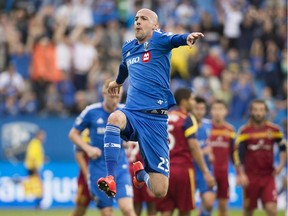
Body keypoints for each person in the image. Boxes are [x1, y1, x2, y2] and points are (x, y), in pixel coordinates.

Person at [97, 8, 205, 198]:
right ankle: (110, 178)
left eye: (144, 19)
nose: (138, 21)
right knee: (114, 118)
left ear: (155, 25)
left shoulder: (159, 40)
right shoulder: (128, 47)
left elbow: (175, 39)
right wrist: (118, 82)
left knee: (159, 190)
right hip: (133, 113)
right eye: (136, 18)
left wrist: (187, 37)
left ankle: (140, 174)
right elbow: (124, 67)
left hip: (156, 120)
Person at [68, 80, 136, 216]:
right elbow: (73, 134)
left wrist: (128, 139)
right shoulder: (91, 111)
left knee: (128, 209)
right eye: (112, 96)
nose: (115, 100)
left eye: (118, 96)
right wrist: (88, 148)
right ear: (104, 93)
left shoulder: (125, 111)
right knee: (106, 213)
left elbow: (135, 133)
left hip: (120, 167)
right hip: (98, 168)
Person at [156, 88, 215, 216]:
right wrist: (206, 172)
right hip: (182, 170)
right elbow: (193, 146)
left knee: (166, 211)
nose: (194, 102)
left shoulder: (165, 117)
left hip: (164, 170)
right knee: (185, 210)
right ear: (184, 101)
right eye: (192, 99)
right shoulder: (187, 119)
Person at [234, 99, 287, 216]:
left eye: (261, 110)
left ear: (266, 112)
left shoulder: (274, 130)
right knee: (248, 211)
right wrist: (241, 174)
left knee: (272, 209)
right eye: (256, 110)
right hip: (250, 177)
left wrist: (281, 165)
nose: (258, 113)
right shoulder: (244, 131)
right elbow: (237, 154)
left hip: (268, 176)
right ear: (251, 112)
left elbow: (283, 147)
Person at [208, 100, 235, 216]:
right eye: (215, 109)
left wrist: (239, 172)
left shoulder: (230, 130)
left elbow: (234, 153)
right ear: (211, 111)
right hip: (208, 173)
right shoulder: (206, 128)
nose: (217, 112)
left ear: (226, 112)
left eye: (220, 109)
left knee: (223, 206)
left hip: (223, 173)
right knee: (207, 204)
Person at [193, 96, 216, 216]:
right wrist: (202, 152)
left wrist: (211, 152)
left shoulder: (209, 125)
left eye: (202, 109)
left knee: (209, 202)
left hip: (205, 168)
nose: (200, 111)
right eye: (197, 108)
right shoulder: (186, 125)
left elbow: (210, 143)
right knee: (185, 205)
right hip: (190, 168)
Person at [125, 141, 157, 216]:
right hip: (144, 169)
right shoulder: (145, 132)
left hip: (129, 170)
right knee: (151, 206)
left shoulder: (125, 132)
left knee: (136, 206)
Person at [71, 129, 92, 216]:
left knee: (106, 209)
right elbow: (79, 154)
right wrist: (87, 174)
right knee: (80, 208)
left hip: (100, 174)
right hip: (86, 178)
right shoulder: (85, 132)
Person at [23, 129, 46, 209]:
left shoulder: (37, 144)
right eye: (42, 135)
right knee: (37, 186)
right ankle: (37, 204)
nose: (43, 137)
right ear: (38, 135)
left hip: (34, 167)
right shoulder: (35, 143)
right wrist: (35, 170)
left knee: (37, 186)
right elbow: (32, 157)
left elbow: (37, 156)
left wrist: (43, 159)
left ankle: (38, 204)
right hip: (33, 168)